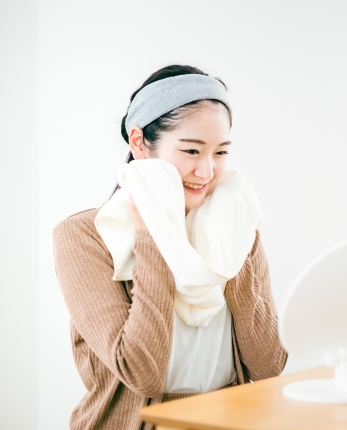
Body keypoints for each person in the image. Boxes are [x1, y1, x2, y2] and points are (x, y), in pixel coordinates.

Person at [53, 65, 287, 430]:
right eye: (192, 150)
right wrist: (150, 235)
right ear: (138, 142)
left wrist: (230, 241)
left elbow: (268, 366)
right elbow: (142, 373)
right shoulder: (85, 235)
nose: (207, 172)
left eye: (220, 152)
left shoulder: (233, 227)